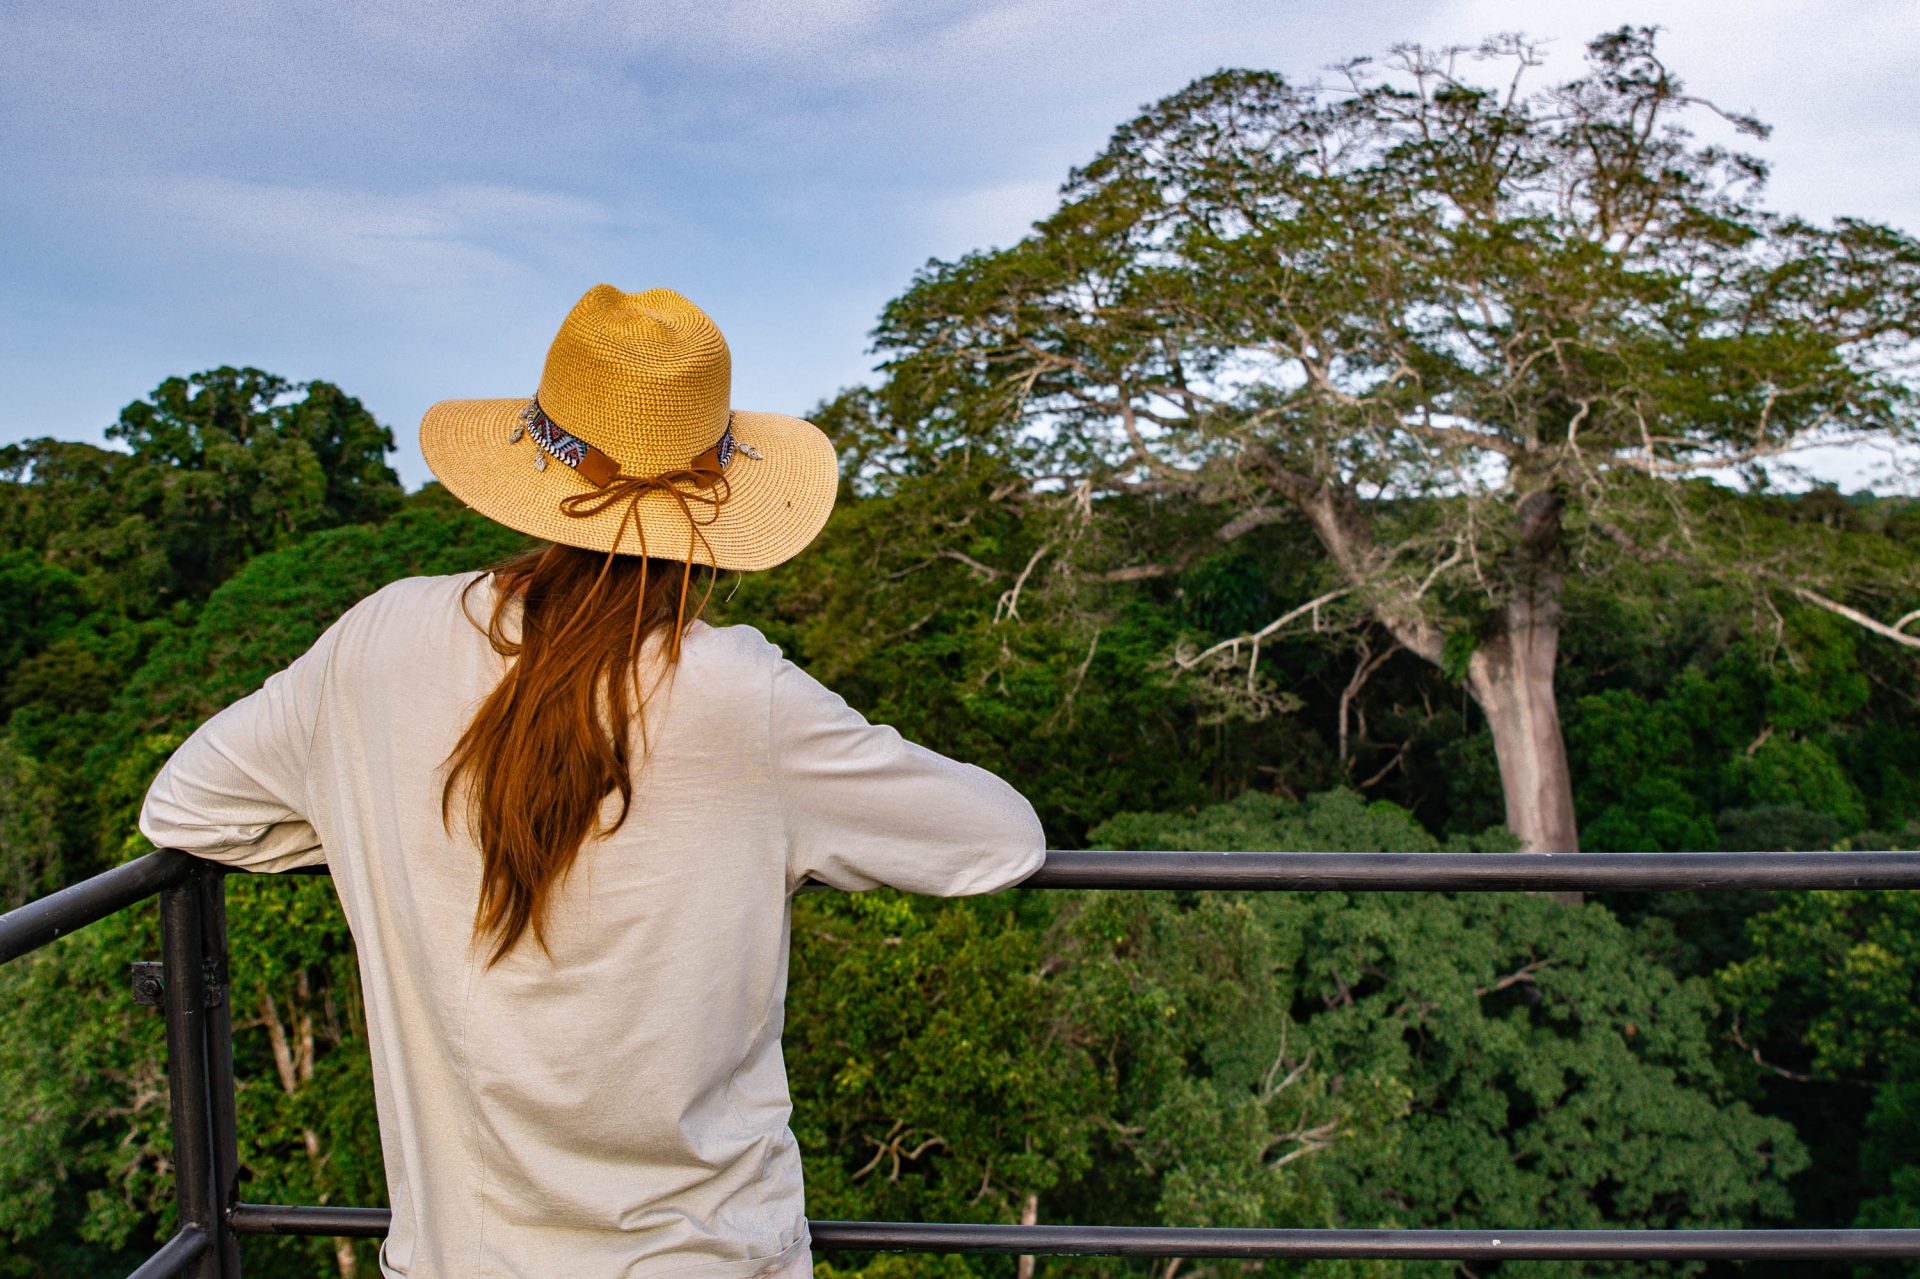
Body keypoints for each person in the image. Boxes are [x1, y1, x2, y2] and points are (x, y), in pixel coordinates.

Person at [137, 285, 1047, 1278]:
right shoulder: (743, 697)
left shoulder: (380, 640)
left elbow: (187, 805)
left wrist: (372, 821)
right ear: (716, 501)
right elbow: (1001, 837)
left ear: (534, 468)